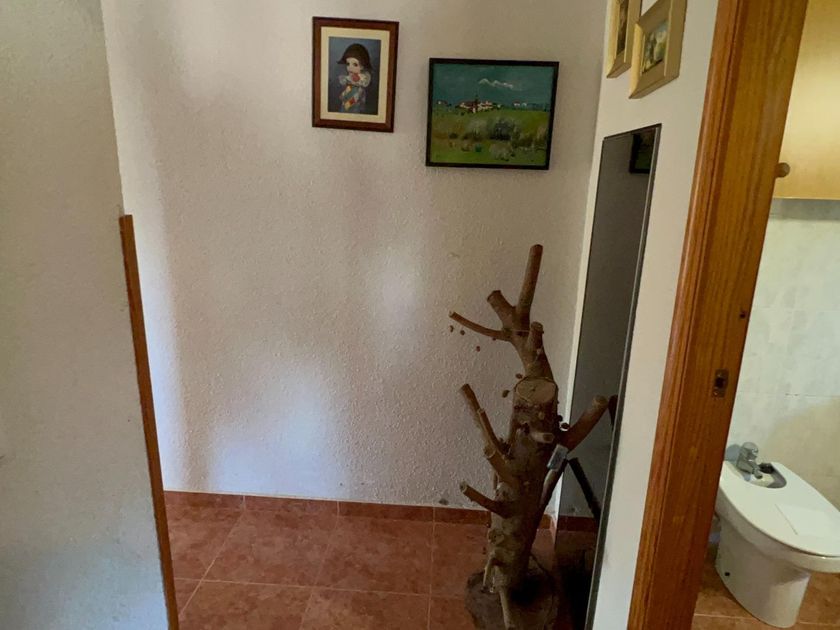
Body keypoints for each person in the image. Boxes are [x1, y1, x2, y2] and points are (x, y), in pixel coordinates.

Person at [337, 43, 372, 113]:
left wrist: (348, 103)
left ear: (362, 66)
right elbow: (348, 88)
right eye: (348, 64)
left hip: (355, 107)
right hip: (345, 105)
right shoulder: (349, 79)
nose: (350, 68)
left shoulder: (361, 82)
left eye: (355, 64)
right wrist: (343, 94)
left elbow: (357, 96)